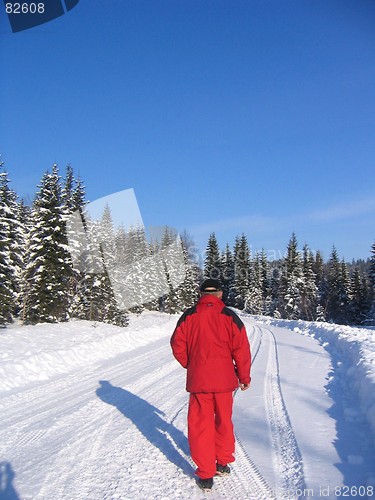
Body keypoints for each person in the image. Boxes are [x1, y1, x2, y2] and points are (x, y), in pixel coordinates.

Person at [170, 278, 251, 491]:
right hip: (224, 382)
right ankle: (222, 463)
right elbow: (241, 349)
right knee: (223, 421)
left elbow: (177, 344)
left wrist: (191, 364)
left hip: (200, 382)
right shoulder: (229, 316)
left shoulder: (189, 316)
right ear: (220, 294)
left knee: (200, 425)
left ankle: (205, 475)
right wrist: (244, 377)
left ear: (201, 294)